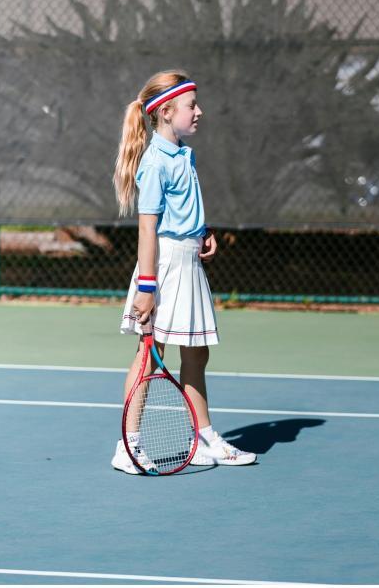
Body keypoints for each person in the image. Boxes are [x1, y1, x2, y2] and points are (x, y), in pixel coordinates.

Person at [110, 69, 256, 474]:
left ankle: (204, 438)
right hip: (165, 267)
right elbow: (148, 229)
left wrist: (202, 232)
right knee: (149, 357)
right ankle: (128, 445)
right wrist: (146, 286)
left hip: (187, 260)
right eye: (192, 106)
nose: (199, 112)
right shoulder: (155, 162)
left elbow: (181, 213)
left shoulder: (182, 155)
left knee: (197, 352)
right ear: (167, 110)